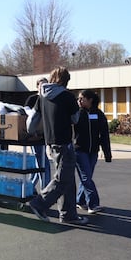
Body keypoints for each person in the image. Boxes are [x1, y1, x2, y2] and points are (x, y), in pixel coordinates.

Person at [27, 66, 89, 225]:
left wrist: (30, 132)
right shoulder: (67, 96)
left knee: (67, 179)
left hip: (49, 144)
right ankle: (39, 203)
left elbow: (32, 120)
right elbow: (75, 119)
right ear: (65, 80)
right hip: (64, 144)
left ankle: (68, 214)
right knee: (62, 179)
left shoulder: (42, 96)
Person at [73, 89, 112, 214]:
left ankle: (80, 200)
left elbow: (104, 134)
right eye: (78, 99)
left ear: (90, 100)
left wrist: (107, 154)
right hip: (79, 150)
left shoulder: (99, 114)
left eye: (82, 99)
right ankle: (93, 204)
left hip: (93, 151)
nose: (79, 101)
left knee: (87, 177)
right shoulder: (77, 114)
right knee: (86, 177)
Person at [25, 77, 51, 189]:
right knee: (42, 162)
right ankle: (45, 189)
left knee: (39, 162)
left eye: (46, 85)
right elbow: (26, 112)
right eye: (41, 85)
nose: (44, 87)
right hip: (34, 136)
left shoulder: (49, 99)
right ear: (37, 87)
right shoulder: (32, 99)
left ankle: (29, 187)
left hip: (46, 135)